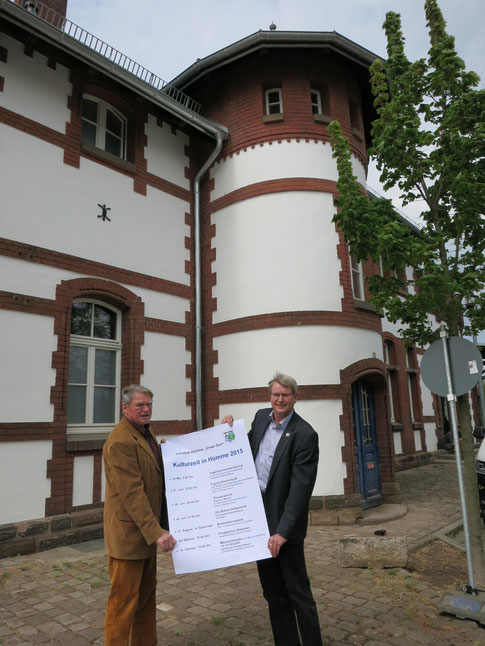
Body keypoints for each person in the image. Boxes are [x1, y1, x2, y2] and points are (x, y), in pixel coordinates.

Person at [222, 372, 322, 646]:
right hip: (257, 520)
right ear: (270, 396)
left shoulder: (305, 435)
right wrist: (229, 432)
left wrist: (283, 532)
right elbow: (245, 448)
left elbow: (300, 492)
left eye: (285, 395)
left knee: (298, 594)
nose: (280, 399)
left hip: (284, 528)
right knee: (273, 593)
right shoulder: (260, 417)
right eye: (276, 394)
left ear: (295, 398)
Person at [103, 384, 176, 646]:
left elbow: (154, 473)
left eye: (149, 404)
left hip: (145, 536)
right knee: (123, 604)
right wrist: (156, 531)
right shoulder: (120, 441)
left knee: (145, 600)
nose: (146, 410)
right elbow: (132, 493)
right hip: (129, 539)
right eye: (139, 405)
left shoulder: (145, 434)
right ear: (125, 408)